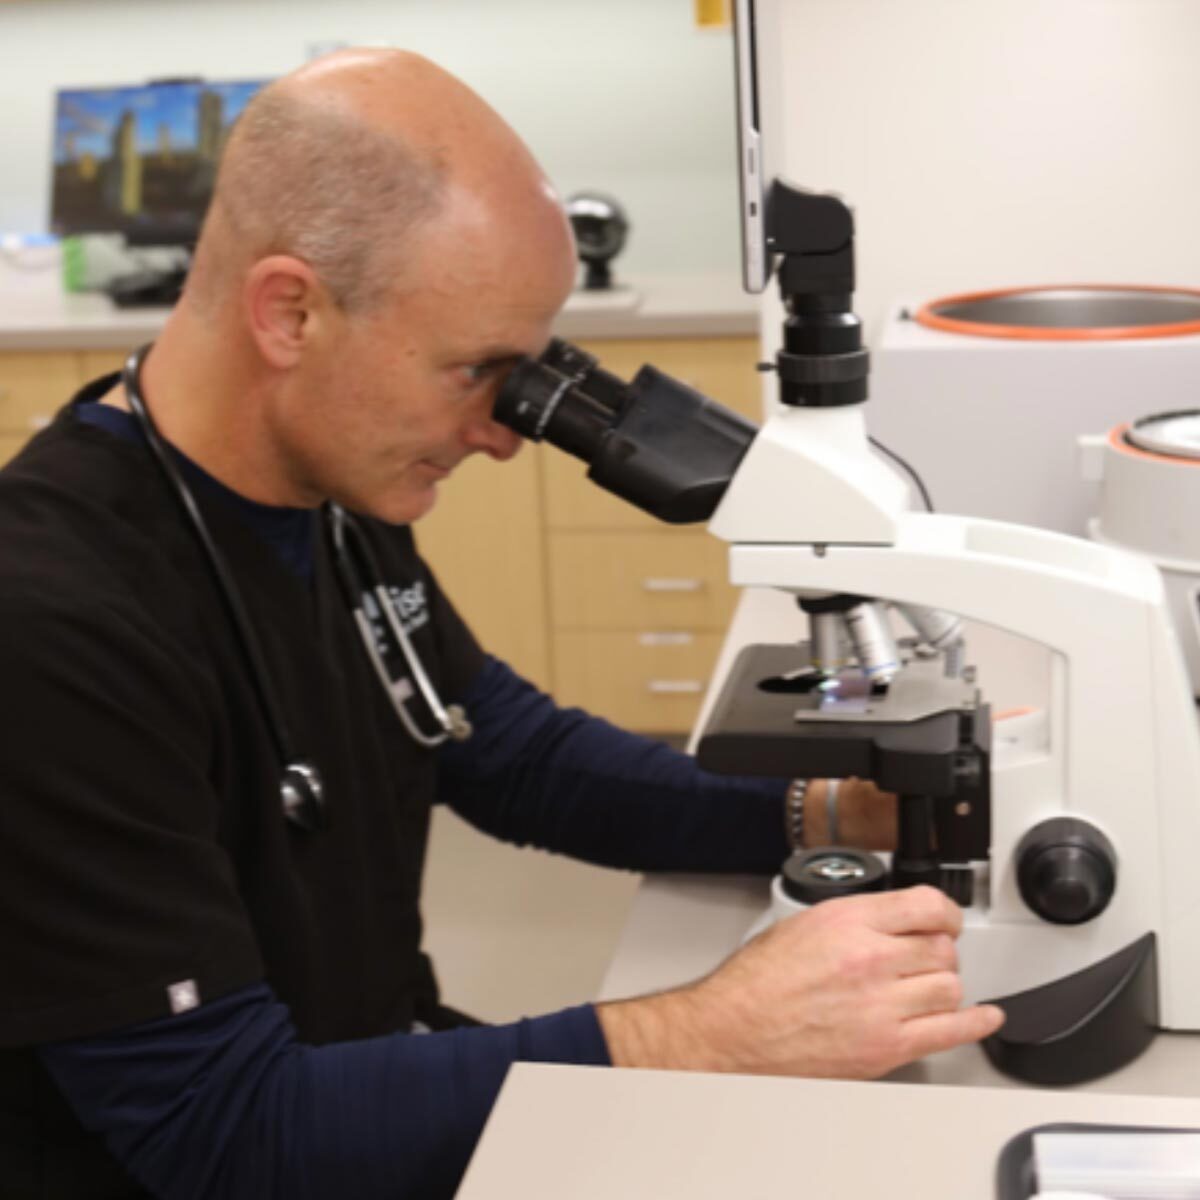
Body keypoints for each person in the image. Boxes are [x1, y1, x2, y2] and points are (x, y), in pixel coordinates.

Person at [0, 49, 1003, 1199]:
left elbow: (508, 753)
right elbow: (223, 1132)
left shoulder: (325, 493)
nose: (508, 431)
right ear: (290, 311)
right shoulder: (52, 624)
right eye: (478, 370)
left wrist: (832, 806)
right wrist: (706, 1031)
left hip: (366, 1077)